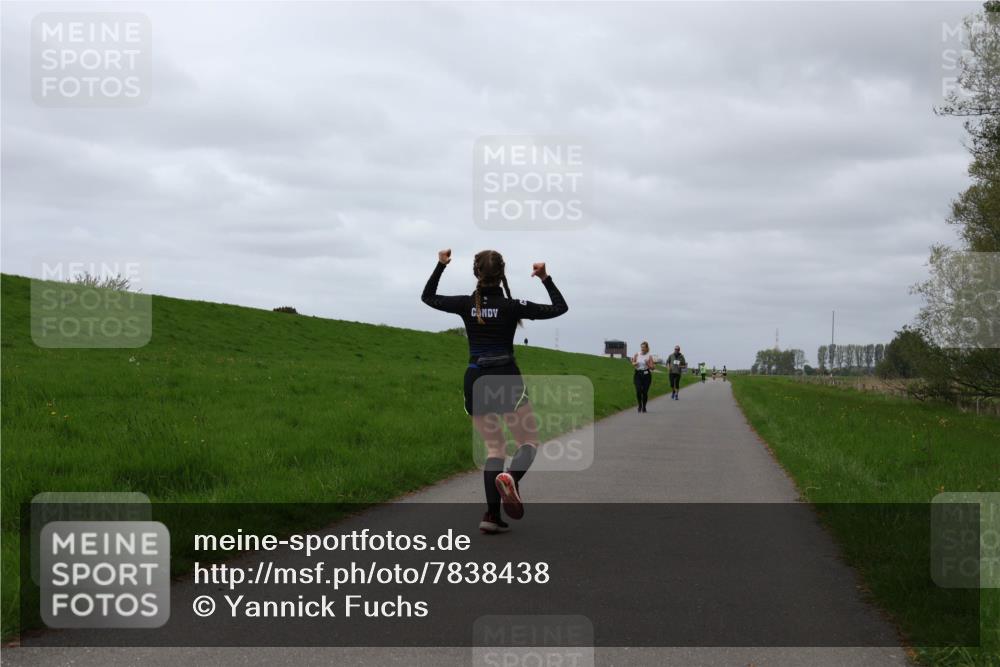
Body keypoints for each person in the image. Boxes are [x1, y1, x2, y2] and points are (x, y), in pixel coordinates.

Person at [422, 248, 568, 534]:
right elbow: (559, 307)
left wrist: (440, 265)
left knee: (495, 448)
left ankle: (491, 515)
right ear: (502, 274)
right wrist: (545, 278)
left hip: (475, 377)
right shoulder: (512, 306)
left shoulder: (465, 304)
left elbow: (428, 297)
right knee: (528, 442)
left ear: (476, 273)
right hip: (505, 376)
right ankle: (511, 478)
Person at [631, 341, 654, 413]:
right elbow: (633, 363)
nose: (642, 349)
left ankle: (644, 406)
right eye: (641, 347)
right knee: (638, 390)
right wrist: (635, 363)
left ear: (647, 348)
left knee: (644, 392)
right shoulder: (637, 354)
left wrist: (647, 364)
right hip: (638, 374)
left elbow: (653, 368)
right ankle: (640, 405)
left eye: (644, 347)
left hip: (646, 375)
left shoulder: (649, 356)